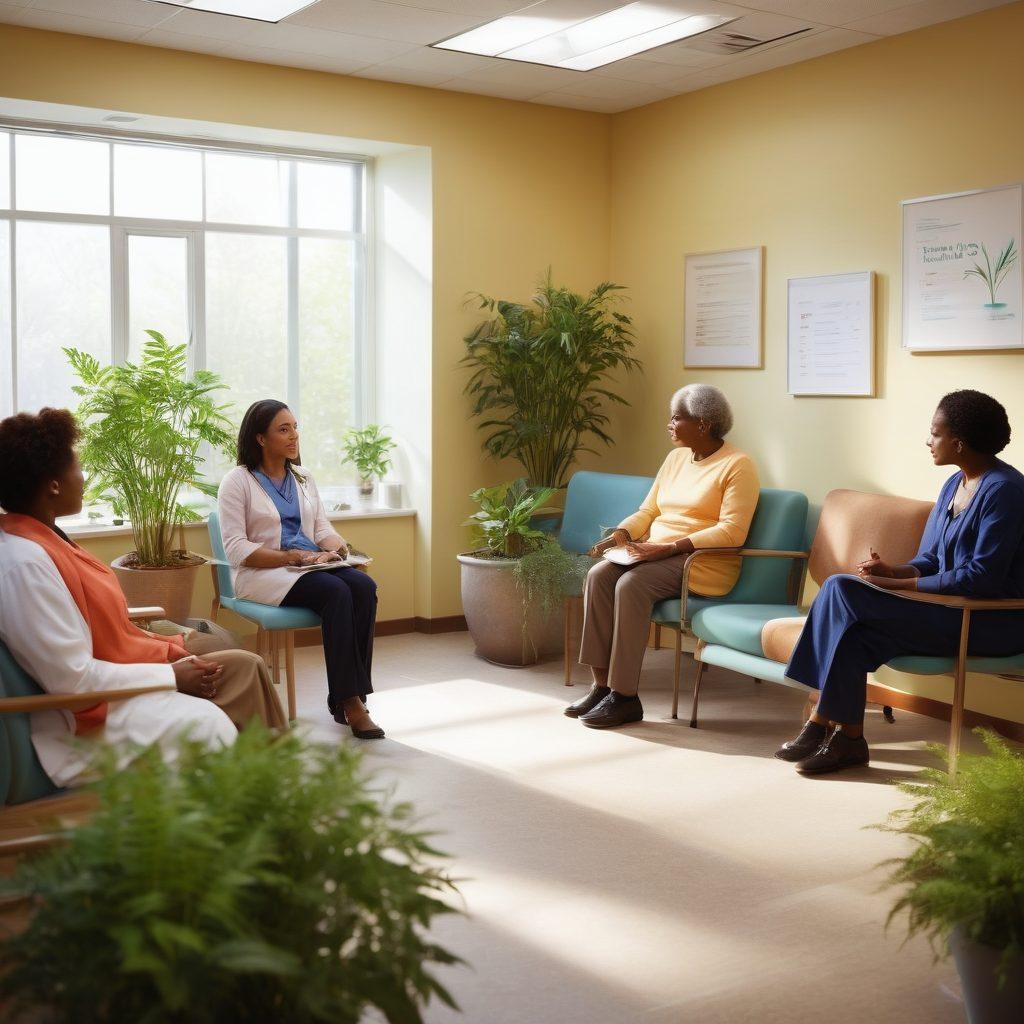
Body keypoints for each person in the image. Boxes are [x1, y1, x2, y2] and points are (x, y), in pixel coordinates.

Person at [0, 409, 286, 790]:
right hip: (83, 721)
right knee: (216, 712)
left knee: (243, 666)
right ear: (53, 485)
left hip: (112, 680)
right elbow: (71, 679)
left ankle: (271, 793)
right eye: (77, 467)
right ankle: (264, 800)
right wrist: (171, 675)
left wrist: (167, 660)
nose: (83, 478)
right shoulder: (24, 564)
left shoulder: (44, 538)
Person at [777, 390, 1024, 775]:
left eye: (934, 433)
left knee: (840, 588)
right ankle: (849, 740)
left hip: (988, 620)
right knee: (854, 638)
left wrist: (901, 588)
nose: (928, 441)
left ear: (958, 442)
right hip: (943, 613)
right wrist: (894, 571)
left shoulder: (1006, 491)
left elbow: (983, 577)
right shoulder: (953, 485)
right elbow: (930, 560)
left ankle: (819, 720)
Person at [567, 384, 760, 728]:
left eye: (676, 417)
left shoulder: (737, 465)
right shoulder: (674, 459)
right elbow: (649, 510)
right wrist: (622, 533)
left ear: (702, 424)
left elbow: (733, 531)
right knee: (599, 575)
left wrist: (670, 547)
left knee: (632, 585)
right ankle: (602, 686)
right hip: (653, 554)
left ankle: (625, 697)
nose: (669, 424)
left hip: (701, 563)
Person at [217, 400, 382, 739]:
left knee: (364, 587)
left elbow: (322, 530)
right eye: (284, 429)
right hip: (264, 574)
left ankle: (352, 697)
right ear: (260, 438)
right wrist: (289, 557)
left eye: (294, 427)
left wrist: (336, 550)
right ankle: (350, 701)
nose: (294, 436)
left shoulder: (304, 478)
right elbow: (235, 549)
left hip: (309, 567)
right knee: (337, 592)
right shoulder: (238, 481)